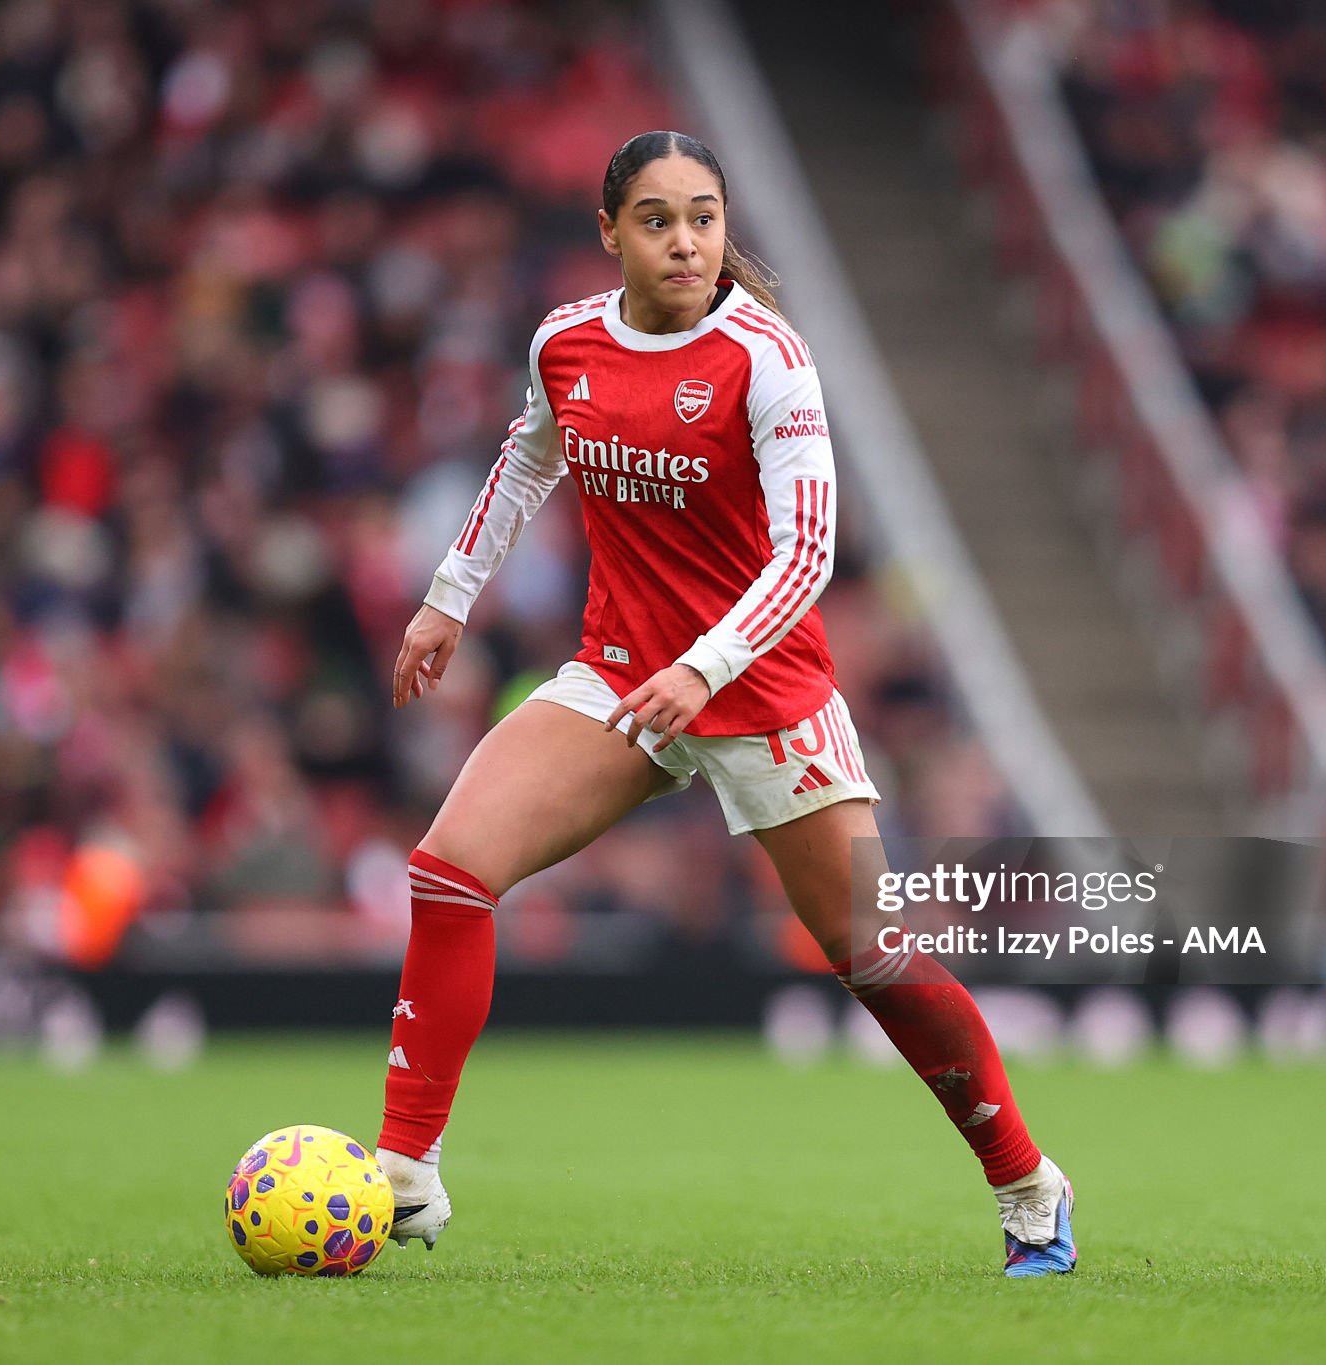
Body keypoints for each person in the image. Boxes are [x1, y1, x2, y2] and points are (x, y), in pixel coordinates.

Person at [374, 131, 1076, 1277]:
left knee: (872, 956)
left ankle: (1026, 1186)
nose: (685, 241)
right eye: (656, 219)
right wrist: (447, 598)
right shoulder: (568, 342)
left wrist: (704, 666)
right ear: (609, 233)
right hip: (619, 674)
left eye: (702, 216)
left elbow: (809, 552)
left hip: (759, 690)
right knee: (448, 870)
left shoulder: (766, 356)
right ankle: (406, 1171)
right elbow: (525, 459)